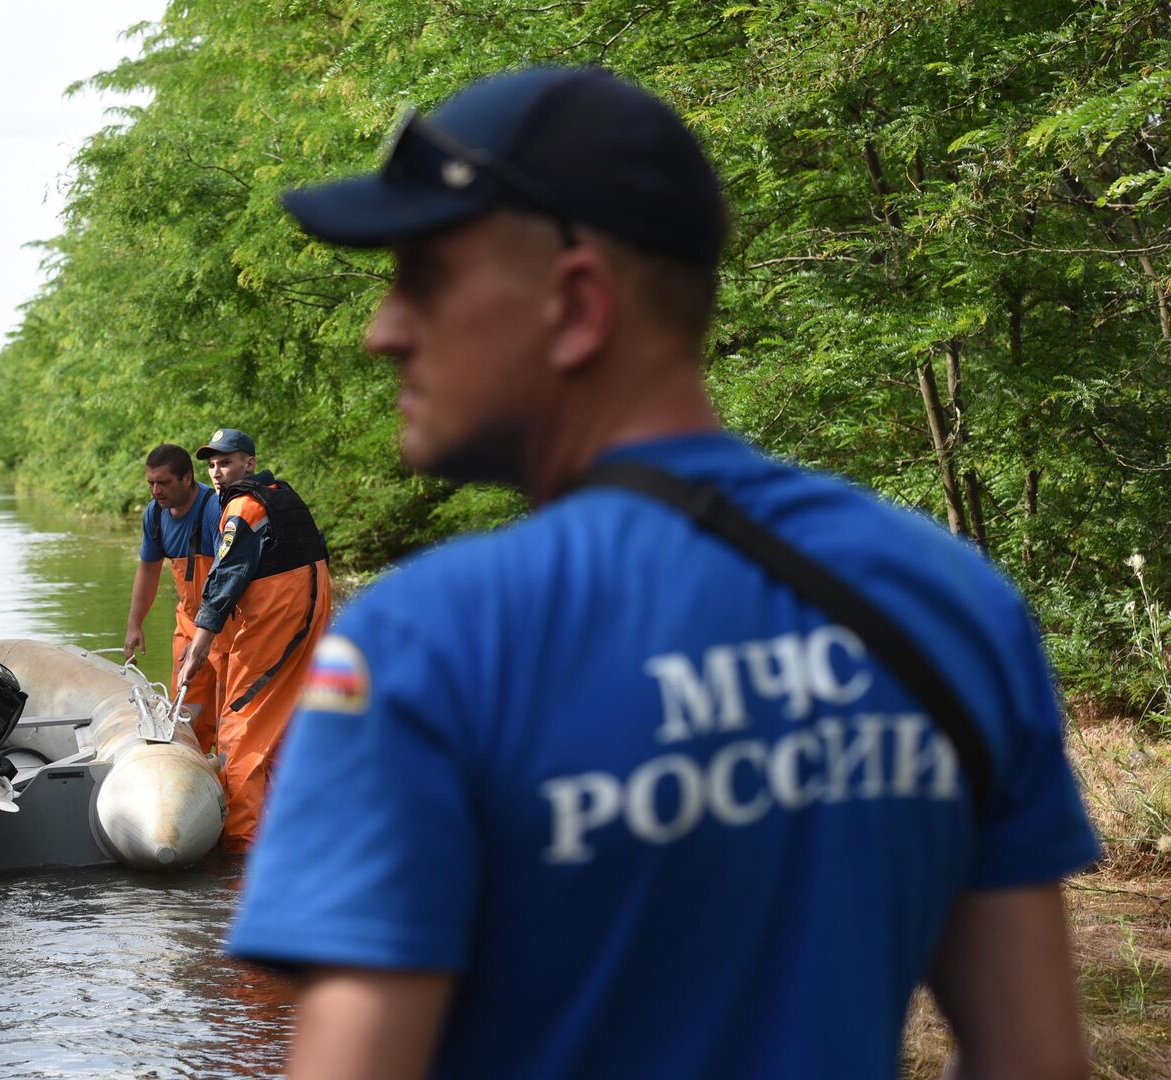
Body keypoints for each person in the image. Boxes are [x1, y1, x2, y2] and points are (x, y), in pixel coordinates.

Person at [223, 67, 1099, 1079]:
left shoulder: (429, 643)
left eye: (424, 279)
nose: (384, 330)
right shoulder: (953, 599)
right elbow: (1033, 1057)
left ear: (576, 306)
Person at [177, 428, 332, 848]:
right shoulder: (284, 495)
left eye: (225, 462)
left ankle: (241, 851)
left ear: (248, 462)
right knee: (283, 729)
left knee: (239, 729)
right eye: (210, 465)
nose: (216, 472)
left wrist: (200, 644)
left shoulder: (243, 507)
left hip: (277, 622)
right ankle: (296, 833)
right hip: (310, 622)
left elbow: (227, 575)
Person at [124, 443, 228, 750]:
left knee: (229, 706)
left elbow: (227, 576)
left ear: (187, 478)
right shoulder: (154, 516)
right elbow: (148, 570)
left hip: (227, 622)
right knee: (185, 707)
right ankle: (191, 761)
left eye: (164, 482)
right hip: (188, 620)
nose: (156, 490)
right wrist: (135, 623)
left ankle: (231, 774)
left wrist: (205, 633)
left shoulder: (215, 509)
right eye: (151, 483)